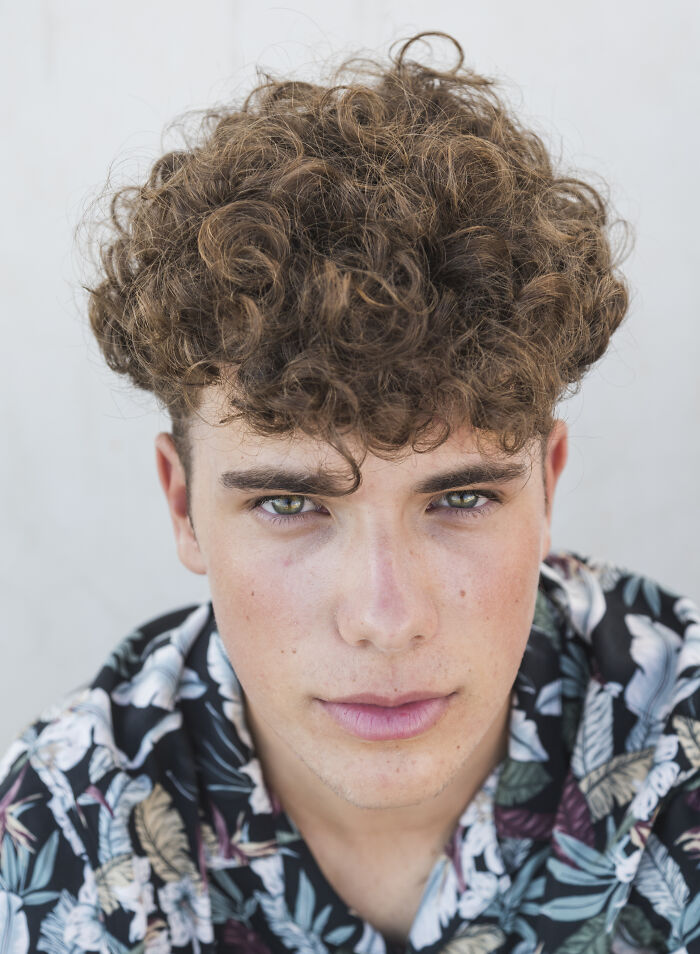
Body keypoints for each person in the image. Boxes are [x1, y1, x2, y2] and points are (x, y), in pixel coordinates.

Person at [0, 29, 698, 954]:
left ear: (548, 481)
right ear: (182, 504)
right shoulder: (61, 833)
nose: (386, 618)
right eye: (291, 505)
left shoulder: (683, 757)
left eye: (461, 499)